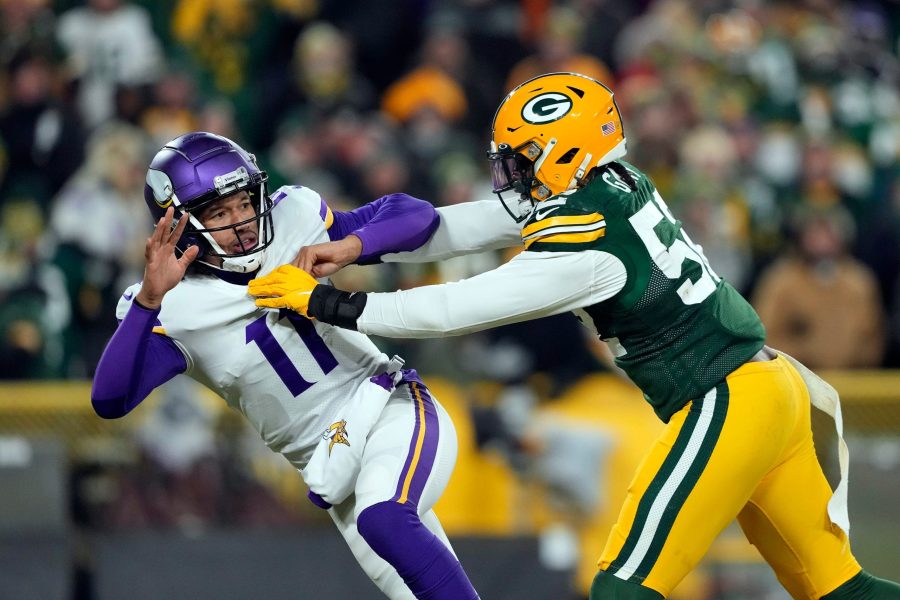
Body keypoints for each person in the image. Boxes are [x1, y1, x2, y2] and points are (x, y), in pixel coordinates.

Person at [248, 73, 900, 600]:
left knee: (623, 587)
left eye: (520, 159)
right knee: (838, 588)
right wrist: (356, 244)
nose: (509, 174)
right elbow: (462, 225)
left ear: (564, 155)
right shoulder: (616, 183)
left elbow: (450, 309)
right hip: (771, 387)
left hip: (728, 399)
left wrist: (325, 302)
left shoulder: (582, 249)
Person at [89, 131, 521, 600]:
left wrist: (351, 245)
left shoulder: (294, 216)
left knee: (386, 516)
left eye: (243, 202)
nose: (242, 222)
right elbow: (110, 400)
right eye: (218, 212)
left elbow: (416, 216)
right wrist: (149, 302)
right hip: (334, 470)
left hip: (387, 408)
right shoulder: (174, 308)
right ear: (180, 225)